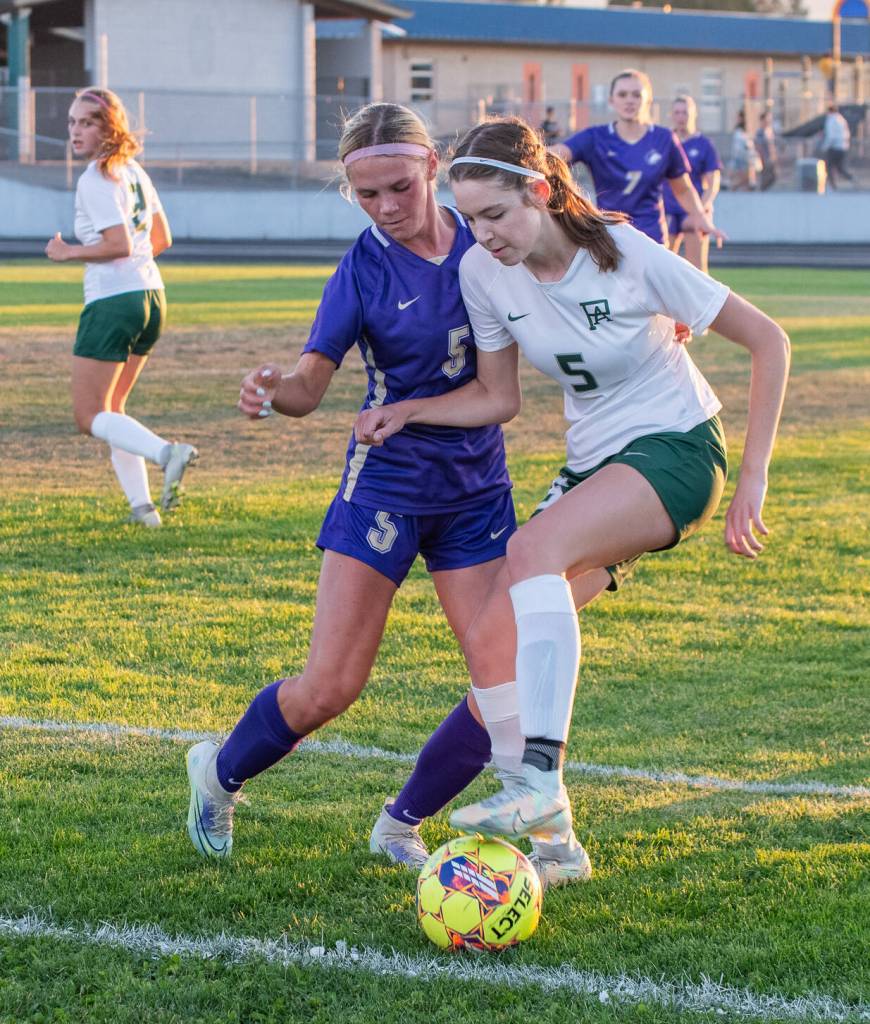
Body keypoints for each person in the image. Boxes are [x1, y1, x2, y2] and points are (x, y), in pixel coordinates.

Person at [184, 102, 591, 887]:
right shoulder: (362, 268)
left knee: (497, 678)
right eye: (366, 195)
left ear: (433, 167)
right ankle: (219, 773)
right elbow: (312, 382)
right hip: (388, 488)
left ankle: (413, 822)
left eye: (399, 188)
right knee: (331, 686)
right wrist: (276, 391)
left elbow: (582, 252)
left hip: (476, 492)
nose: (386, 208)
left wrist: (664, 318)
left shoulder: (488, 232)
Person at [355, 116, 789, 850]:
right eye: (470, 218)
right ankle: (550, 846)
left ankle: (538, 783)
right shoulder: (481, 272)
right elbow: (499, 398)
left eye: (496, 214)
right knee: (497, 642)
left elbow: (769, 340)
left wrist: (754, 479)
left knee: (531, 552)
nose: (483, 233)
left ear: (543, 191)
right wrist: (408, 410)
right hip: (596, 468)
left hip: (678, 449)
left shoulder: (628, 255)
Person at [45, 87, 197, 527]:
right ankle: (143, 510)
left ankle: (168, 453)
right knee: (112, 411)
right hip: (151, 296)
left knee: (88, 415)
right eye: (73, 122)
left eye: (87, 122)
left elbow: (116, 243)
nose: (75, 130)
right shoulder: (134, 171)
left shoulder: (96, 178)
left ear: (109, 128)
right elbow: (160, 239)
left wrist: (67, 253)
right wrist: (132, 268)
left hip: (114, 302)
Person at [549, 69, 723, 248]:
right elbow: (555, 155)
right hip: (610, 239)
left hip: (651, 240)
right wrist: (527, 151)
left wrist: (701, 217)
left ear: (648, 100)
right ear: (612, 100)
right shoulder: (595, 137)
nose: (629, 100)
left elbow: (683, 190)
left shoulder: (664, 139)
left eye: (636, 95)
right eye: (622, 94)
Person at [663, 95, 722, 274]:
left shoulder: (704, 145)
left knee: (697, 271)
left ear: (694, 115)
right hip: (668, 209)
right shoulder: (665, 142)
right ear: (671, 115)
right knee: (662, 266)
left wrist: (699, 212)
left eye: (685, 113)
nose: (681, 117)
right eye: (677, 113)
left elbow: (713, 184)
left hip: (693, 211)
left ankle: (698, 303)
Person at [821, 104, 853, 188]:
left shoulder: (831, 120)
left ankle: (832, 186)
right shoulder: (842, 119)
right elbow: (847, 133)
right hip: (843, 146)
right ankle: (851, 179)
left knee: (828, 167)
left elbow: (830, 135)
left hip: (834, 147)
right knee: (839, 168)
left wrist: (825, 146)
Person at [729, 110, 759, 192]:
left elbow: (749, 144)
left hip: (746, 157)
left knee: (748, 178)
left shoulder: (747, 130)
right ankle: (734, 187)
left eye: (739, 117)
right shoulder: (738, 130)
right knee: (739, 176)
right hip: (738, 156)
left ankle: (739, 187)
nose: (737, 119)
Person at [755, 110, 778, 191]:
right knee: (765, 176)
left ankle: (763, 190)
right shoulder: (760, 132)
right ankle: (761, 191)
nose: (768, 121)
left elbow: (772, 145)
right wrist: (761, 157)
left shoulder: (769, 131)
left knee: (773, 176)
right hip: (764, 157)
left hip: (770, 157)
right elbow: (758, 145)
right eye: (767, 119)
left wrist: (774, 155)